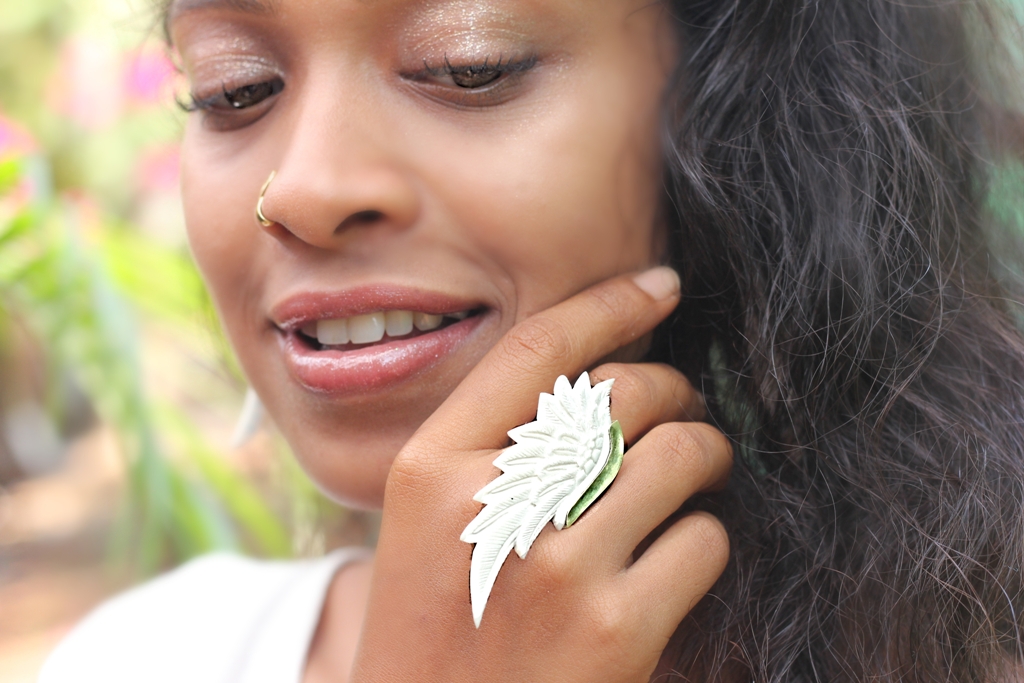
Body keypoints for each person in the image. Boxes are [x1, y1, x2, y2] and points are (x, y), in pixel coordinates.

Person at [40, 0, 1024, 681]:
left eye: (467, 64)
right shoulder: (140, 655)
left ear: (729, 114)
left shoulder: (972, 648)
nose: (303, 188)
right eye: (234, 87)